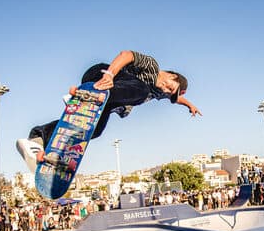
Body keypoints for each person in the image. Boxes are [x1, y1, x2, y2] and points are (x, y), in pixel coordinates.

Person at [16, 50, 202, 172]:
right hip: (101, 74)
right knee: (141, 90)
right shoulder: (152, 67)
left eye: (169, 92)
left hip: (104, 99)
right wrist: (110, 74)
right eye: (170, 86)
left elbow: (177, 98)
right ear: (172, 75)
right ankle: (87, 96)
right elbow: (126, 54)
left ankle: (37, 141)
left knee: (94, 131)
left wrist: (189, 105)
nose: (165, 90)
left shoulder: (159, 92)